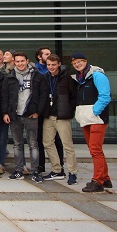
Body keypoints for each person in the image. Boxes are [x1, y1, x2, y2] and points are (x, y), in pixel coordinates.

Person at [3, 52, 48, 183]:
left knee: (33, 144)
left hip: (31, 115)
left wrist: (38, 112)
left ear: (27, 61)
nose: (20, 64)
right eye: (17, 61)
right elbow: (5, 97)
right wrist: (5, 113)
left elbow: (43, 95)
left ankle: (35, 171)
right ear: (14, 62)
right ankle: (19, 170)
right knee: (17, 144)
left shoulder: (37, 76)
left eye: (22, 61)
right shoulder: (10, 77)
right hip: (15, 116)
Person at [71, 52, 112, 193]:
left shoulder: (97, 75)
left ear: (86, 61)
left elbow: (105, 96)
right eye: (74, 63)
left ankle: (98, 181)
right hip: (86, 119)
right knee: (95, 149)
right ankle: (105, 178)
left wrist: (95, 111)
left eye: (79, 61)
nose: (77, 64)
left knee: (95, 150)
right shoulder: (79, 79)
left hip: (97, 118)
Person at [42, 54, 78, 185]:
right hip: (48, 116)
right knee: (47, 142)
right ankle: (57, 170)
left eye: (53, 64)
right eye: (48, 65)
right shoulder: (45, 77)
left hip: (62, 116)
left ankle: (73, 172)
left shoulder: (66, 78)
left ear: (59, 64)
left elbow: (74, 96)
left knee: (67, 145)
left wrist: (69, 109)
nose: (51, 67)